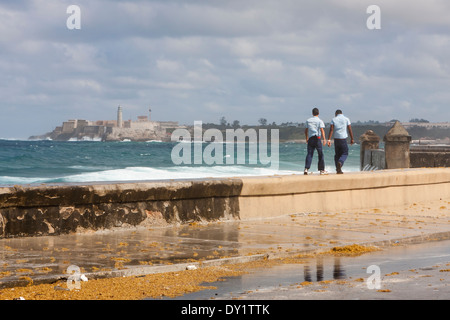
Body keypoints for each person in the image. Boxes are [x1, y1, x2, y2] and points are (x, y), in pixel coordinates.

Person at [327, 109, 354, 174]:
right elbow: (349, 129)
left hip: (336, 139)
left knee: (337, 155)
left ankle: (338, 169)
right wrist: (352, 138)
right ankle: (340, 162)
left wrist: (329, 139)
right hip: (343, 139)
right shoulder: (346, 119)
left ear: (336, 113)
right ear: (342, 113)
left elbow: (331, 130)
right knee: (345, 153)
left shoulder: (333, 119)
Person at [304, 108, 327, 175]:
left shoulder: (308, 120)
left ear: (312, 113)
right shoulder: (320, 121)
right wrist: (324, 139)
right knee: (320, 154)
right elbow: (322, 130)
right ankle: (321, 170)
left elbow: (306, 130)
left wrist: (307, 138)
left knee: (309, 154)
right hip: (317, 138)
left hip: (311, 138)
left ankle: (306, 169)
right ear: (318, 113)